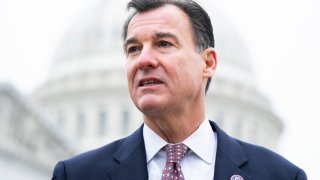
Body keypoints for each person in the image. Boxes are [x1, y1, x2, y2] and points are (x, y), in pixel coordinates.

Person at [52, 0, 307, 179]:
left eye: (163, 43)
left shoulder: (280, 176)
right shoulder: (76, 175)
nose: (144, 60)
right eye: (133, 49)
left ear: (207, 63)